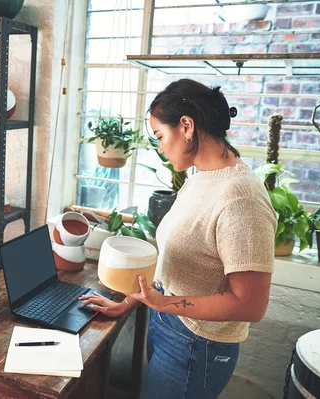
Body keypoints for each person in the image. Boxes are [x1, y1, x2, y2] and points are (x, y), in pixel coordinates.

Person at [79, 79, 276, 398]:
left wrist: (166, 303)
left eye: (160, 136)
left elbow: (251, 305)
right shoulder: (200, 179)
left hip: (199, 345)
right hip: (170, 326)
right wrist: (126, 302)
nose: (159, 147)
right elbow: (173, 267)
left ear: (186, 126)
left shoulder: (241, 199)